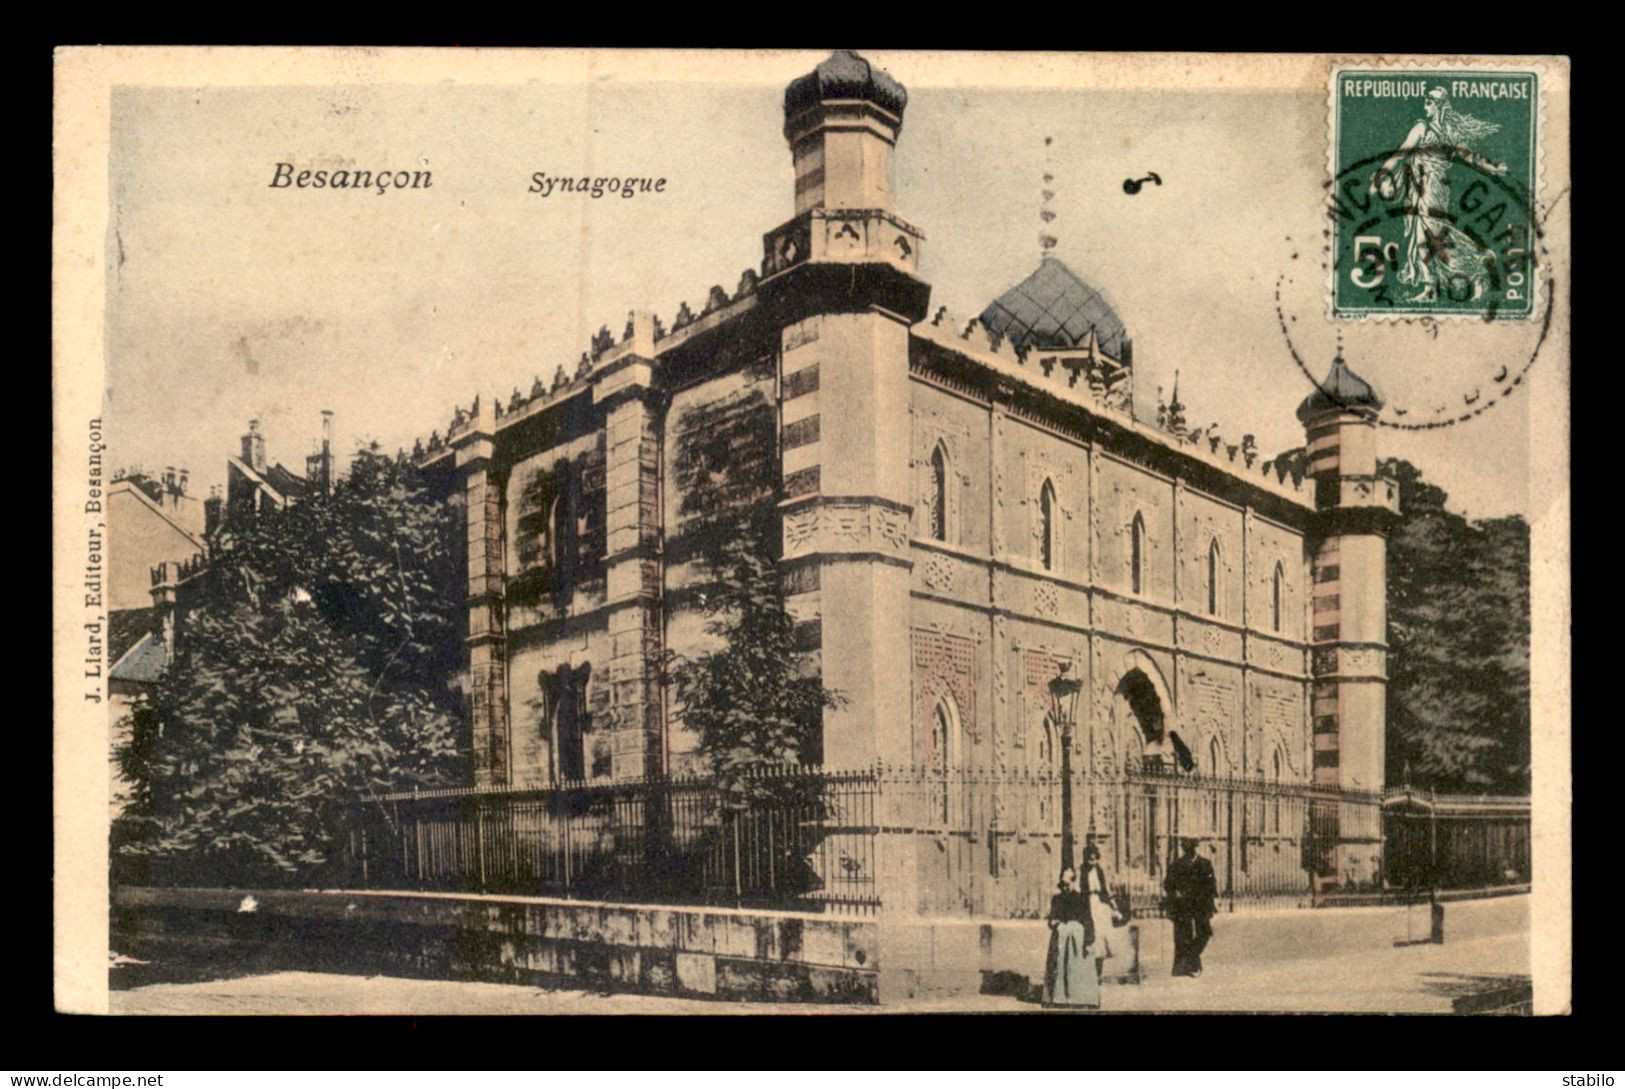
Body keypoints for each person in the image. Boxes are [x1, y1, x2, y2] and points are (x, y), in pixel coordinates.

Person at [1368, 87, 1510, 303]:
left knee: (1437, 237)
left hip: (1435, 188)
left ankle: (1478, 266)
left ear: (1442, 105)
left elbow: (1470, 156)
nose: (1426, 103)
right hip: (1417, 186)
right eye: (1425, 100)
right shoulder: (1420, 128)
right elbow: (1400, 154)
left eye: (1431, 100)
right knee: (1420, 237)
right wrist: (1382, 174)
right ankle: (1430, 288)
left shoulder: (1450, 131)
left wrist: (1493, 168)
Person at [1042, 866, 1098, 1008]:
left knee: (1077, 970)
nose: (1064, 888)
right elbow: (1052, 918)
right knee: (1059, 969)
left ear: (1074, 882)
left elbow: (1088, 921)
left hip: (1076, 942)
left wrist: (1089, 941)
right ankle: (1058, 997)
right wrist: (1053, 923)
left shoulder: (1082, 899)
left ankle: (1079, 999)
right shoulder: (1056, 899)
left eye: (1067, 884)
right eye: (1062, 885)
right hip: (1061, 940)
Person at [1163, 837, 1217, 977]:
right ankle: (1184, 967)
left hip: (1201, 904)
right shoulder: (1176, 865)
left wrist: (1211, 904)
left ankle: (1191, 958)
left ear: (1195, 847)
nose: (1188, 849)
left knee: (1205, 932)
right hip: (1183, 905)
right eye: (1185, 846)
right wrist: (1174, 896)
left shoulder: (1205, 863)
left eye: (1191, 846)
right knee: (1182, 935)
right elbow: (1168, 885)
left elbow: (1211, 886)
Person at [1081, 844, 1125, 983]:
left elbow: (1105, 890)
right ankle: (1089, 973)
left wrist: (1114, 907)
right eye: (1090, 859)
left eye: (1095, 859)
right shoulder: (1082, 871)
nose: (1092, 862)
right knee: (1090, 938)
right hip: (1088, 904)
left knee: (1102, 938)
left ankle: (1098, 973)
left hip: (1100, 905)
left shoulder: (1099, 870)